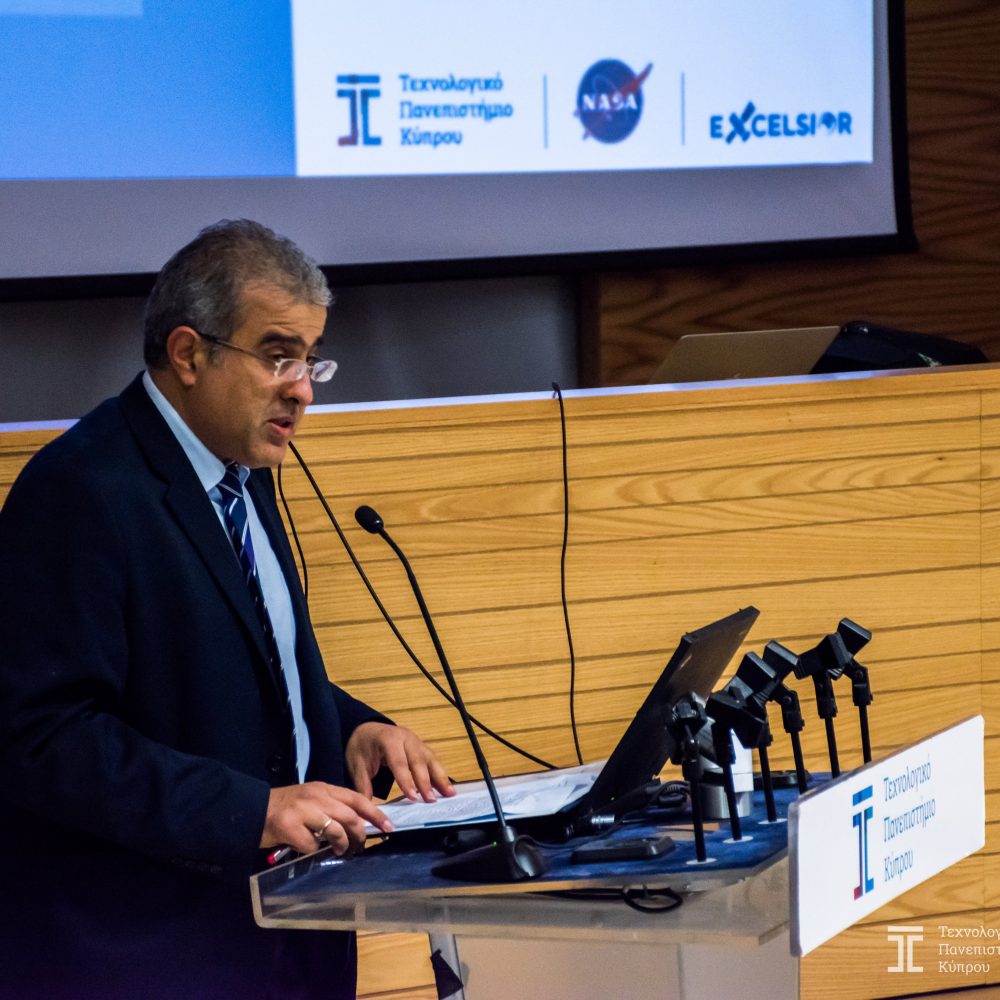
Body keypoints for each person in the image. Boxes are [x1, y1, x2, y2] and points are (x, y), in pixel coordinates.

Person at [0, 220, 455, 1000]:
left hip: (286, 940)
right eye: (278, 355)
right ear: (188, 354)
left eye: (310, 360)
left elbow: (237, 665)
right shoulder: (80, 491)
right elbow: (40, 737)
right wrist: (252, 810)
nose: (302, 388)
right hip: (149, 953)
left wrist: (351, 729)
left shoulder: (239, 473)